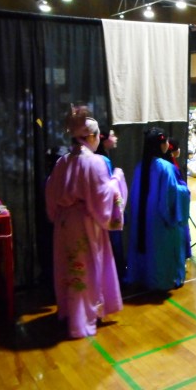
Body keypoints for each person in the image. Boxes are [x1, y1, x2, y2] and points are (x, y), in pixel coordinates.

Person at [45, 105, 128, 339]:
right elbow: (101, 198)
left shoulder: (62, 162)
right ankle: (83, 320)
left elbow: (50, 193)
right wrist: (117, 180)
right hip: (85, 223)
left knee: (68, 268)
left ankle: (71, 312)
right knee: (86, 270)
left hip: (64, 224)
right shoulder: (95, 163)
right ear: (91, 137)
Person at [126, 127, 189, 290]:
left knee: (144, 245)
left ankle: (141, 276)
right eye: (167, 141)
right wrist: (184, 190)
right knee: (160, 250)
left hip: (143, 217)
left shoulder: (141, 166)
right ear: (162, 144)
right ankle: (162, 279)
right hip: (159, 220)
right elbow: (171, 196)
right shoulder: (166, 167)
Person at [95, 127, 126, 282]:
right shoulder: (103, 160)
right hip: (106, 210)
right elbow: (108, 188)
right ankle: (115, 278)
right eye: (113, 135)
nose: (116, 138)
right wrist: (117, 177)